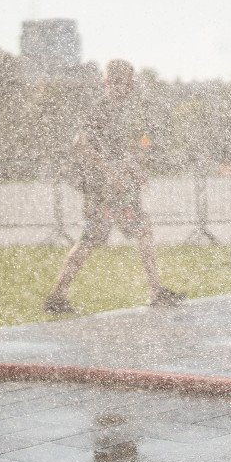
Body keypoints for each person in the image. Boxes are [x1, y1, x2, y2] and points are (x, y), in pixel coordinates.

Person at [45, 60, 185, 313]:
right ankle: (56, 296)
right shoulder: (100, 108)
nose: (130, 87)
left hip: (117, 187)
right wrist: (111, 174)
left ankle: (156, 291)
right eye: (126, 82)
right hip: (104, 188)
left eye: (131, 82)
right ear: (112, 82)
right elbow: (81, 143)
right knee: (91, 240)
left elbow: (116, 150)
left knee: (138, 231)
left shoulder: (118, 109)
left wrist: (134, 170)